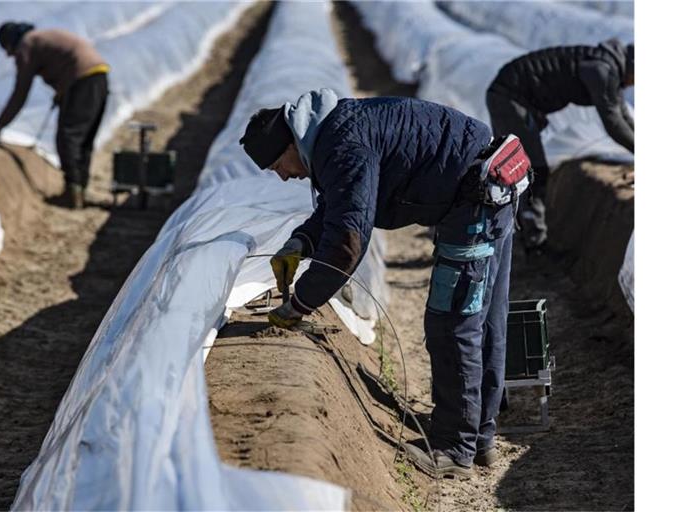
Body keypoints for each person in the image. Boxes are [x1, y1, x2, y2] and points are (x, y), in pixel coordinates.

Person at [240, 89, 529, 478]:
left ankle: (455, 448)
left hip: (475, 197)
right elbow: (344, 200)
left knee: (453, 322)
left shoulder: (340, 144)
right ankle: (478, 437)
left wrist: (300, 304)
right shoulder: (336, 130)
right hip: (495, 180)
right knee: (485, 318)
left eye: (278, 164)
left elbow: (348, 240)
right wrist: (301, 241)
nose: (285, 175)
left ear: (291, 142)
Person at [486, 39, 634, 251]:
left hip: (515, 97)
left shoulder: (609, 68)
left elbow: (624, 117)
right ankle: (533, 242)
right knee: (529, 170)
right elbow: (613, 122)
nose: (633, 84)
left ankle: (516, 234)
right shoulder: (601, 70)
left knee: (521, 170)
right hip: (509, 96)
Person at [0, 22, 110, 209]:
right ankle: (79, 189)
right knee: (84, 139)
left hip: (82, 82)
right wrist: (62, 94)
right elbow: (66, 62)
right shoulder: (41, 37)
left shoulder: (26, 46)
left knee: (68, 136)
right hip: (99, 77)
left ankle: (72, 193)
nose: (10, 55)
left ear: (10, 43)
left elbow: (20, 93)